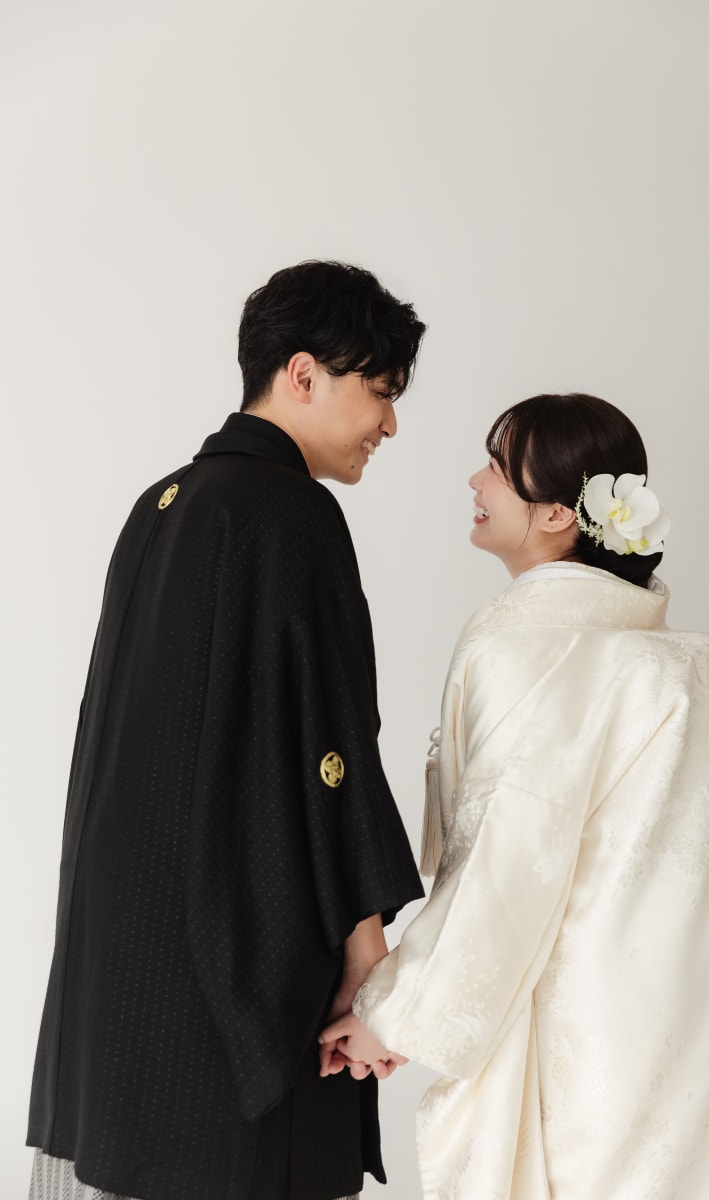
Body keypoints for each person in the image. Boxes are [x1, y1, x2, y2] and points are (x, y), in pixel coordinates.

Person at [27, 260, 427, 1200]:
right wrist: (366, 950)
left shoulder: (162, 504)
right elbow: (331, 740)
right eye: (380, 391)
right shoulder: (293, 512)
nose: (390, 425)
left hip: (123, 949)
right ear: (303, 374)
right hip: (233, 945)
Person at [321, 393, 709, 1200]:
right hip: (704, 1041)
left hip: (585, 1049)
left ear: (560, 514)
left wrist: (391, 1013)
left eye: (498, 469)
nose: (476, 481)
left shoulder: (532, 650)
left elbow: (508, 862)